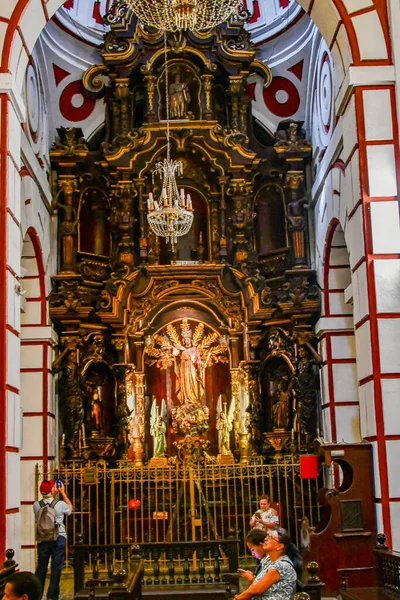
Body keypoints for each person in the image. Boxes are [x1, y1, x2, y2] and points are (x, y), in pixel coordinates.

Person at [234, 528, 302, 600]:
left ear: (279, 546)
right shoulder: (271, 562)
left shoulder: (281, 565)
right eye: (267, 536)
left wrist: (236, 599)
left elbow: (256, 590)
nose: (266, 539)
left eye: (270, 538)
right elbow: (256, 587)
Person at [33, 480, 73, 600]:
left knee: (41, 568)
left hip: (43, 539)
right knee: (56, 568)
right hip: (58, 538)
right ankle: (52, 595)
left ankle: (37, 595)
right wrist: (62, 492)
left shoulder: (36, 505)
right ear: (52, 490)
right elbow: (70, 509)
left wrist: (52, 492)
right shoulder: (59, 504)